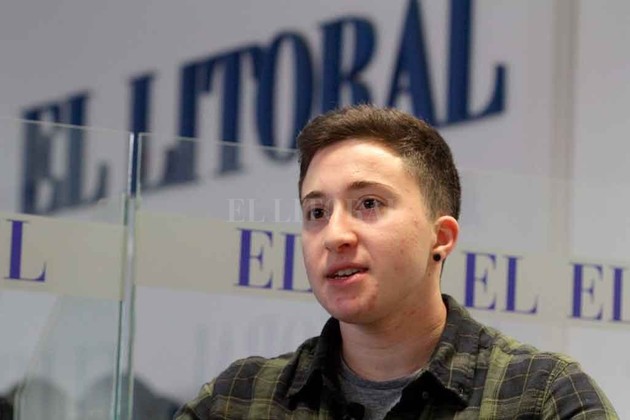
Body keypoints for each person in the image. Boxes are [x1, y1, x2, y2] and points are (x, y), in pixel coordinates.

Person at [175, 105, 617, 419]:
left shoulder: (542, 397)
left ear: (440, 238)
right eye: (317, 212)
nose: (335, 235)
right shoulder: (239, 400)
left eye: (368, 203)